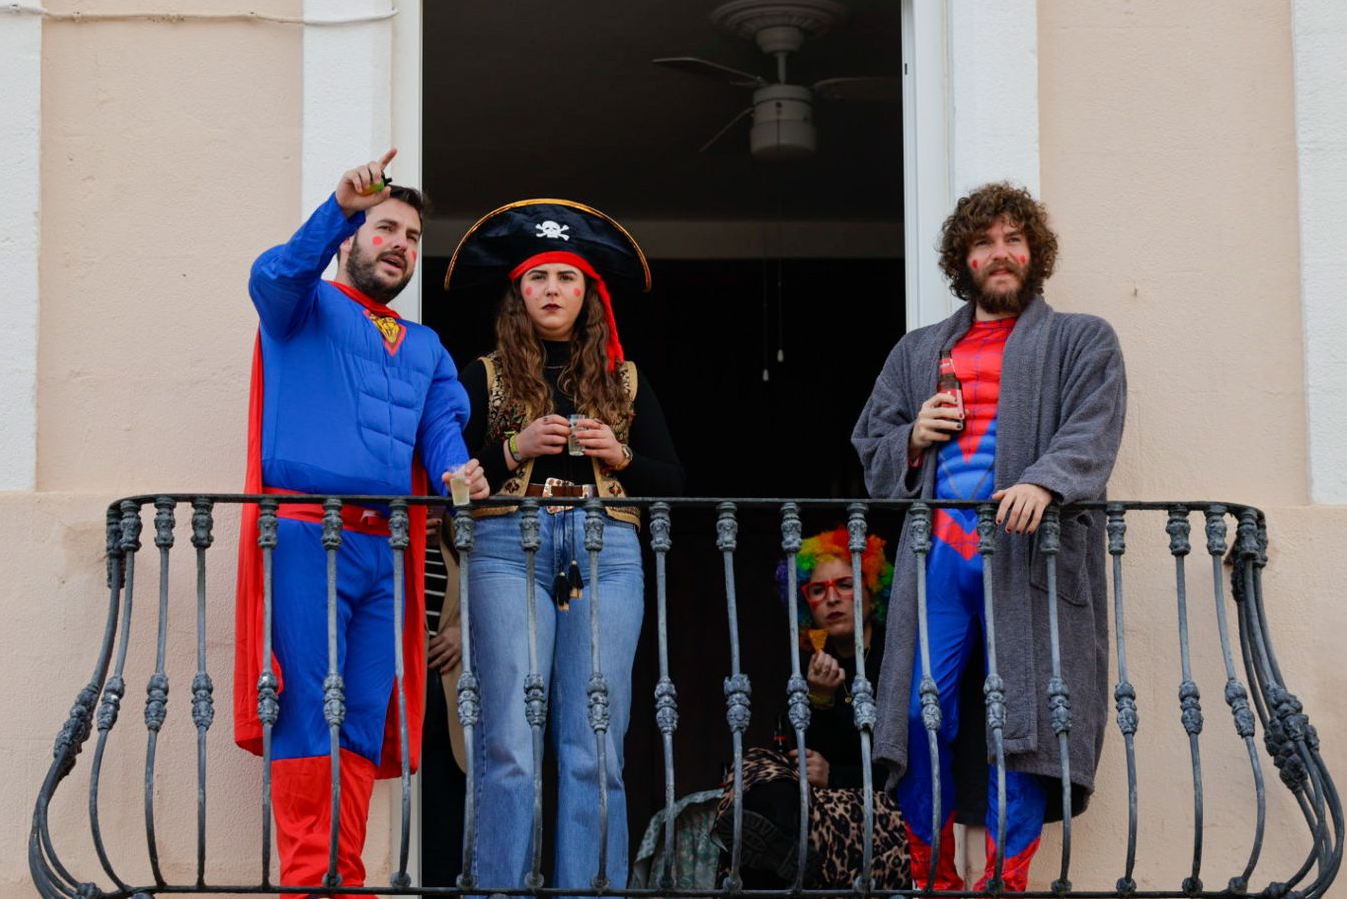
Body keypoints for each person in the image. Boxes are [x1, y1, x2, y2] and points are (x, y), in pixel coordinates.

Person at [851, 182, 1127, 891]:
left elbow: (1094, 427)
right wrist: (912, 437)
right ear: (962, 259)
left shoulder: (1081, 338)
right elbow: (870, 441)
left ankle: (1004, 882)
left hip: (1030, 555)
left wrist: (1045, 480)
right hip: (938, 551)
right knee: (917, 710)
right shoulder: (917, 353)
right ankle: (931, 872)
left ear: (1033, 254)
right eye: (984, 242)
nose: (999, 254)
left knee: (1024, 719)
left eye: (1013, 240)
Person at [231, 149, 489, 898]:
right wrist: (337, 207)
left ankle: (344, 878)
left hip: (386, 549)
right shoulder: (302, 305)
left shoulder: (429, 347)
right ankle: (311, 881)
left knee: (361, 719)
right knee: (311, 709)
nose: (400, 244)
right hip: (310, 535)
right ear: (352, 239)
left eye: (411, 234)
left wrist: (454, 470)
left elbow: (443, 428)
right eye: (384, 228)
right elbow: (273, 276)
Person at [444, 199, 684, 891]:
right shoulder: (483, 376)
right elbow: (446, 485)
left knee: (595, 748)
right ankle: (500, 888)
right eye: (539, 276)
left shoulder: (625, 379)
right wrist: (511, 446)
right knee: (510, 744)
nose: (553, 289)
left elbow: (675, 484)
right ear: (518, 292)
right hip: (503, 547)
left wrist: (622, 455)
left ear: (589, 294)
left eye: (568, 278)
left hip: (607, 551)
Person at [716, 528, 912, 889]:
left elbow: (911, 767)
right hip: (819, 813)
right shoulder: (817, 664)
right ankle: (767, 855)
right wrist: (819, 700)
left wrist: (835, 776)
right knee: (756, 764)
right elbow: (805, 758)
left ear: (872, 590)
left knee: (773, 834)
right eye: (818, 590)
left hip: (888, 811)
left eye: (846, 584)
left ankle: (751, 868)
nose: (832, 599)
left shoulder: (898, 658)